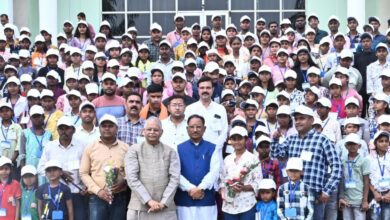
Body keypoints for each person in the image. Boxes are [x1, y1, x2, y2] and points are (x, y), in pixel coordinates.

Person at [271, 105, 342, 219]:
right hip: (293, 196)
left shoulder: (322, 140)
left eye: (302, 118)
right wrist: (275, 140)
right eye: (296, 119)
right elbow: (276, 155)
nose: (298, 122)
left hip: (315, 198)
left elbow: (337, 167)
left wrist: (327, 190)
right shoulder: (291, 139)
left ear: (311, 120)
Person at [125, 117, 180, 220]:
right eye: (149, 129)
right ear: (143, 131)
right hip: (139, 207)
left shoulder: (170, 151)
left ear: (161, 132)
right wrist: (148, 201)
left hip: (165, 208)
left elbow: (175, 178)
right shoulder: (134, 150)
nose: (152, 132)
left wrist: (163, 202)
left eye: (156, 130)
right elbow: (132, 178)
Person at [80, 114, 129, 220]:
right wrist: (98, 191)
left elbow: (132, 172)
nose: (107, 128)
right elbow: (83, 173)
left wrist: (124, 182)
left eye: (110, 126)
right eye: (104, 126)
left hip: (119, 196)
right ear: (99, 128)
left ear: (116, 128)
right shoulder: (90, 147)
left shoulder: (125, 148)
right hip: (97, 197)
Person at [37, 116, 88, 220]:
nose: (64, 131)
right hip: (55, 195)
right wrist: (60, 173)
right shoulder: (50, 147)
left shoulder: (82, 146)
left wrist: (86, 187)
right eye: (61, 128)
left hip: (76, 193)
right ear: (57, 130)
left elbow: (88, 170)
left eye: (67, 128)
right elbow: (40, 169)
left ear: (73, 130)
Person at [175, 114, 219, 220]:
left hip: (206, 199)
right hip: (184, 200)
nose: (195, 130)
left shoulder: (212, 148)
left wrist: (200, 188)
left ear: (204, 129)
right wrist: (190, 189)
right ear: (187, 129)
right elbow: (176, 173)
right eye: (192, 127)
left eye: (199, 127)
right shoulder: (178, 148)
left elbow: (214, 172)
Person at [219, 126, 262, 219]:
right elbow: (222, 179)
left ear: (246, 139)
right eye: (234, 139)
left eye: (240, 139)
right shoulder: (227, 159)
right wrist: (224, 192)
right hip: (229, 204)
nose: (237, 142)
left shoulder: (253, 158)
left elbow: (258, 182)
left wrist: (243, 187)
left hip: (247, 203)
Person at [185, 77, 228, 161]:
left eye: (208, 88)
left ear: (213, 89)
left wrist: (214, 148)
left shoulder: (220, 109)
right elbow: (186, 131)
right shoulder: (190, 109)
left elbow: (224, 132)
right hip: (195, 153)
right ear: (198, 89)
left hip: (215, 153)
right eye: (202, 88)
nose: (205, 90)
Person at [338, 134, 370, 220]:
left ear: (359, 146)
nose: (352, 146)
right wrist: (340, 198)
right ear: (345, 146)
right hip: (346, 199)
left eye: (354, 144)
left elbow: (366, 181)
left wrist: (365, 200)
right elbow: (340, 180)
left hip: (359, 199)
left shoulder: (364, 160)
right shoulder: (342, 160)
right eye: (349, 144)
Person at [367, 131, 390, 219]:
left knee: (387, 217)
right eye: (381, 141)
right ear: (375, 143)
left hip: (388, 193)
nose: (384, 143)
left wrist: (389, 194)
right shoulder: (369, 158)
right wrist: (375, 193)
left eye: (386, 141)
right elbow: (367, 178)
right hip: (375, 193)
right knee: (374, 217)